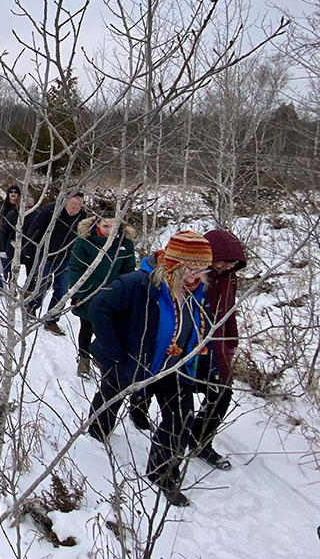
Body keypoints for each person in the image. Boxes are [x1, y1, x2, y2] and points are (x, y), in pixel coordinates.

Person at [87, 231, 214, 508]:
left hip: (174, 367)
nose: (196, 276)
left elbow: (198, 330)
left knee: (180, 418)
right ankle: (96, 434)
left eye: (202, 270)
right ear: (173, 263)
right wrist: (117, 353)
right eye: (190, 269)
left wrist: (202, 361)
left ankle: (162, 473)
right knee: (111, 396)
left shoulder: (197, 293)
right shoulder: (139, 284)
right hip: (134, 361)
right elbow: (99, 307)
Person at [192, 230, 246, 469]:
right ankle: (139, 407)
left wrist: (231, 341)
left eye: (232, 263)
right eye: (224, 261)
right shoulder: (194, 276)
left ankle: (200, 441)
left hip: (215, 345)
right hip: (187, 345)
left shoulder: (228, 279)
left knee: (221, 392)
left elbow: (227, 311)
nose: (227, 266)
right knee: (171, 391)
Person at [68, 209, 136, 366]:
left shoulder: (124, 242)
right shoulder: (85, 240)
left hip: (113, 292)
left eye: (114, 226)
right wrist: (77, 293)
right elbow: (76, 268)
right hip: (89, 291)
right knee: (87, 326)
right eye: (106, 226)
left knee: (108, 328)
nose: (110, 230)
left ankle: (100, 356)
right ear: (97, 224)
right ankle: (83, 358)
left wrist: (127, 292)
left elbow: (128, 269)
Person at [26, 193, 86, 327]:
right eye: (72, 207)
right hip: (46, 254)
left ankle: (51, 320)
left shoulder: (83, 216)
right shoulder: (50, 210)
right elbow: (34, 230)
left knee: (62, 290)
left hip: (67, 257)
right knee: (41, 286)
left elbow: (84, 236)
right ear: (65, 204)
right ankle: (31, 307)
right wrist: (28, 252)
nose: (74, 211)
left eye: (78, 208)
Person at [0, 185, 21, 288]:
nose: (13, 194)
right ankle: (0, 285)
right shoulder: (0, 205)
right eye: (11, 192)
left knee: (13, 263)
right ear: (8, 194)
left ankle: (11, 285)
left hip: (15, 239)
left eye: (16, 192)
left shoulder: (22, 207)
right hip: (0, 237)